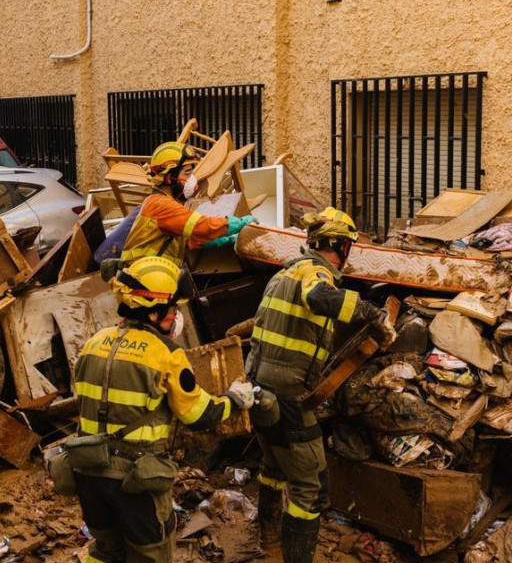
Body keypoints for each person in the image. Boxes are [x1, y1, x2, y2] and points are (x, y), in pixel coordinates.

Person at [72, 256, 256, 563]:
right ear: (154, 310)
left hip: (87, 473)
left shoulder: (94, 342)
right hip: (133, 480)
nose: (175, 317)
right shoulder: (165, 354)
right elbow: (198, 416)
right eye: (173, 309)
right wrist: (233, 400)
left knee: (105, 551)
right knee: (150, 555)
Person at [245, 207, 397, 563]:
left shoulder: (285, 272)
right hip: (287, 396)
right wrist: (373, 314)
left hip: (260, 388)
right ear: (341, 246)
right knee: (311, 490)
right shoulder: (315, 273)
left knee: (273, 468)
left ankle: (269, 544)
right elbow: (320, 299)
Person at [118, 141, 257, 267]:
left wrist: (221, 240)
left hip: (148, 281)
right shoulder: (160, 205)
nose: (192, 180)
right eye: (187, 174)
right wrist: (238, 223)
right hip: (142, 285)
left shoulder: (164, 203)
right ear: (168, 178)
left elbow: (186, 240)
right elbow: (201, 226)